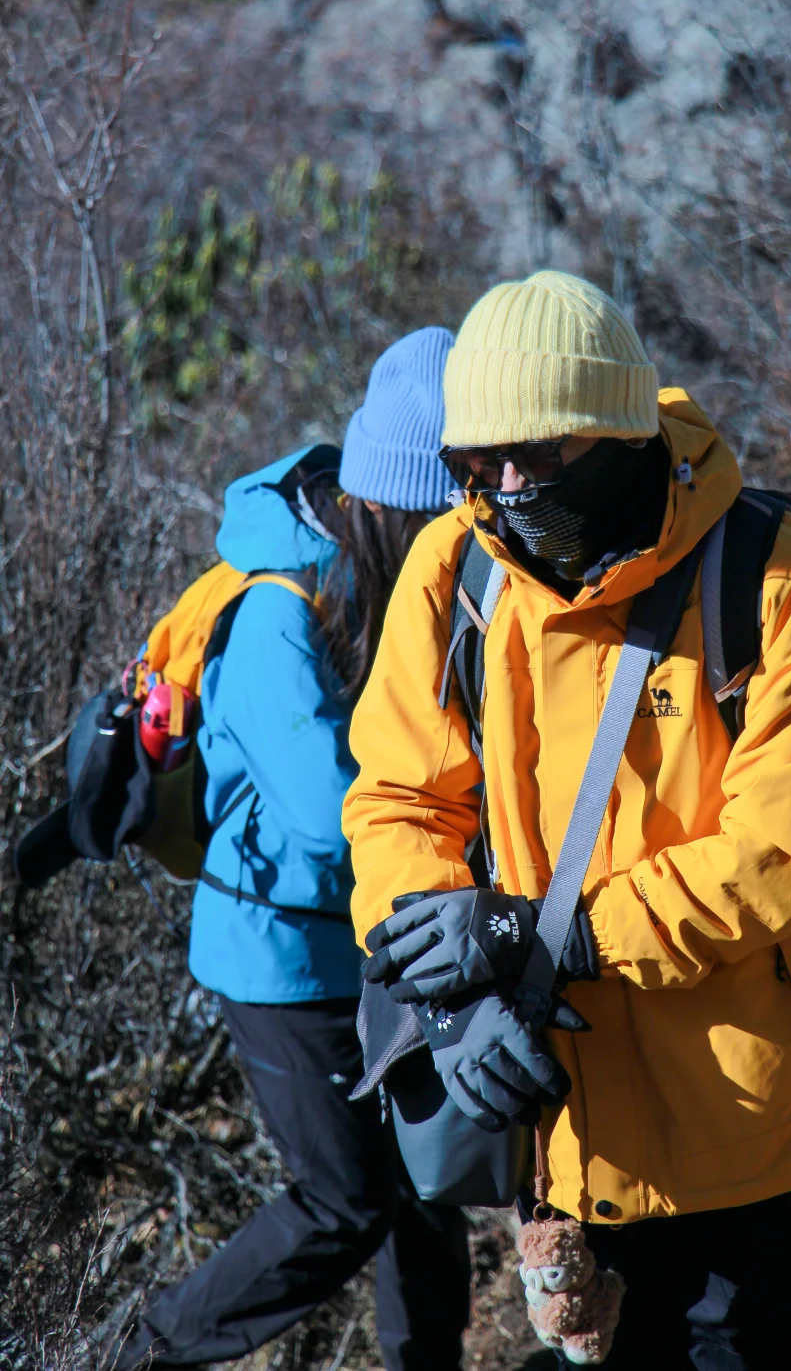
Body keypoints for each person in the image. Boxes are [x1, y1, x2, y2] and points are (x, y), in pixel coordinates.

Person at [343, 272, 791, 1370]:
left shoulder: (781, 581)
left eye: (537, 456)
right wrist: (454, 1000)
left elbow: (785, 853)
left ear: (619, 434)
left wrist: (544, 936)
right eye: (478, 463)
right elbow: (399, 800)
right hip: (575, 1159)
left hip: (771, 1152)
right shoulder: (454, 572)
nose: (506, 489)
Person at [116, 328, 470, 1371]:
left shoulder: (385, 575)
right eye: (447, 518)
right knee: (344, 1200)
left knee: (424, 1181)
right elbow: (326, 813)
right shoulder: (281, 609)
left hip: (374, 933)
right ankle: (141, 1352)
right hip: (282, 958)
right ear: (395, 504)